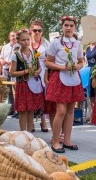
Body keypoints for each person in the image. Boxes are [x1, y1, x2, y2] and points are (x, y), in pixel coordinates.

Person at [45, 16, 84, 153]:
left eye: (71, 25)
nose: (68, 28)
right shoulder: (56, 43)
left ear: (75, 27)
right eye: (66, 25)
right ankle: (56, 141)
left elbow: (81, 61)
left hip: (73, 78)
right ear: (62, 27)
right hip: (60, 77)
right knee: (60, 111)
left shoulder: (77, 43)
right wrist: (62, 67)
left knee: (70, 111)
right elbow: (48, 62)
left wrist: (78, 66)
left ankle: (67, 140)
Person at [9, 29, 45, 132]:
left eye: (28, 39)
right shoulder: (16, 56)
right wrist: (26, 71)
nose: (26, 42)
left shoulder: (34, 53)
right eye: (23, 40)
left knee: (31, 109)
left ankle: (29, 132)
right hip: (23, 84)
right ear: (18, 41)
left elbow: (39, 67)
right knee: (23, 110)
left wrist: (37, 72)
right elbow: (12, 72)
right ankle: (22, 131)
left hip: (33, 84)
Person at [30, 20, 51, 132]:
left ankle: (43, 120)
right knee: (31, 97)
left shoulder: (47, 44)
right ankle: (31, 122)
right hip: (29, 72)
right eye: (34, 30)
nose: (37, 32)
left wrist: (47, 77)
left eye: (39, 30)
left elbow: (50, 61)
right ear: (31, 31)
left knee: (42, 97)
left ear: (42, 32)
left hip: (43, 72)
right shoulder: (26, 43)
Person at [0, 31, 17, 115]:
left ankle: (18, 109)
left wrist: (10, 62)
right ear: (9, 37)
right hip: (6, 70)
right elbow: (1, 58)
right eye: (12, 36)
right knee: (8, 90)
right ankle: (11, 108)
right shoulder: (5, 47)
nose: (14, 37)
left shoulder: (19, 47)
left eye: (15, 36)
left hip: (15, 70)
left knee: (16, 90)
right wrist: (2, 61)